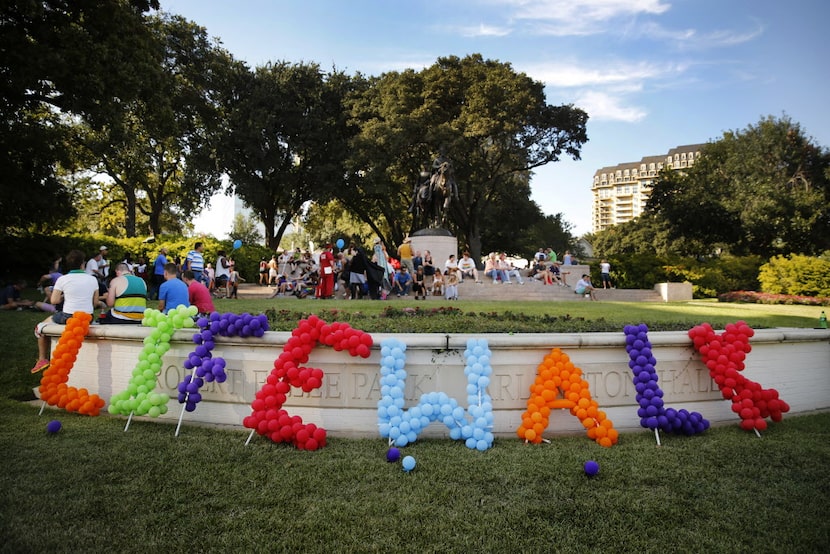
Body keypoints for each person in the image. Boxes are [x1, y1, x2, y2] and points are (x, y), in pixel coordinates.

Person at [31, 249, 100, 373]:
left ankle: (42, 359)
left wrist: (66, 295)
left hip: (68, 316)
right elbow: (95, 303)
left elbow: (54, 301)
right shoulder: (93, 279)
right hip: (87, 317)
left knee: (40, 327)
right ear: (82, 264)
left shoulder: (62, 279)